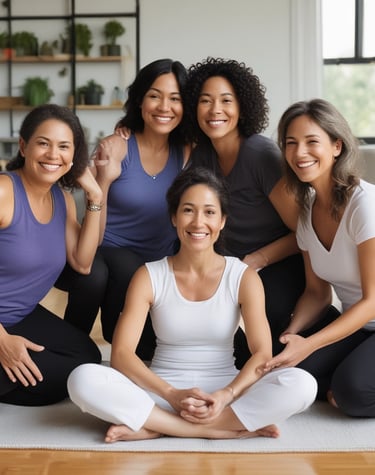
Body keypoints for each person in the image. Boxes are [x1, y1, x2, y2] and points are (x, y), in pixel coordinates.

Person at [67, 166, 317, 443]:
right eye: (188, 210)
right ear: (174, 217)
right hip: (162, 392)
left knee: (302, 384)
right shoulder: (149, 275)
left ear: (222, 221)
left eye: (210, 212)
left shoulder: (242, 276)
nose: (199, 222)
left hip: (224, 392)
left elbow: (261, 354)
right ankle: (223, 428)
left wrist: (227, 394)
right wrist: (171, 394)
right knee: (82, 378)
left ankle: (159, 426)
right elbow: (122, 354)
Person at [55, 59, 191, 360]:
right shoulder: (116, 146)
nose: (164, 106)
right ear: (140, 99)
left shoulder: (188, 150)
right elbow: (97, 228)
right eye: (155, 95)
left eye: (175, 98)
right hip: (110, 251)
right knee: (95, 274)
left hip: (158, 264)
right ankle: (69, 348)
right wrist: (104, 178)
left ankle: (111, 338)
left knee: (149, 351)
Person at [183, 57, 305, 362]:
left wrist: (257, 259)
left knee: (259, 341)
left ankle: (320, 319)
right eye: (205, 101)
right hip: (230, 265)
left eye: (226, 100)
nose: (215, 110)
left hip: (278, 263)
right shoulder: (201, 156)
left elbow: (304, 232)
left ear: (243, 106)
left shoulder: (261, 155)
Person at [261, 98, 375, 418]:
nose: (300, 153)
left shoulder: (363, 205)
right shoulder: (308, 211)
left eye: (312, 142)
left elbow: (372, 301)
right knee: (293, 373)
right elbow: (316, 293)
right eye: (291, 143)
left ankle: (345, 389)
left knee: (352, 392)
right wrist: (292, 337)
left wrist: (310, 344)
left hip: (367, 314)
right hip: (359, 327)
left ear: (336, 146)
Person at [0, 104, 102, 406]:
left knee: (86, 359)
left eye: (64, 147)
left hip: (19, 315)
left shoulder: (64, 200)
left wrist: (95, 196)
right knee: (64, 379)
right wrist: (2, 341)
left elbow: (82, 263)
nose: (53, 155)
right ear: (24, 147)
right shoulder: (5, 191)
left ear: (74, 156)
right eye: (43, 143)